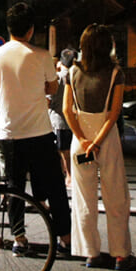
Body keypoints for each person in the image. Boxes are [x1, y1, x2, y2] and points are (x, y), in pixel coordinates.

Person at [0, 2, 72, 256]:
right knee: (55, 186)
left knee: (14, 187)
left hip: (9, 132)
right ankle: (64, 239)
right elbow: (53, 88)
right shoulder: (42, 55)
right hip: (39, 131)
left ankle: (19, 238)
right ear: (31, 29)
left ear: (9, 27)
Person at [62, 25, 135, 270]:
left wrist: (83, 140)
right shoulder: (115, 73)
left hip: (79, 141)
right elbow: (114, 114)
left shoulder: (73, 71)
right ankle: (121, 254)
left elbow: (66, 110)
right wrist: (97, 141)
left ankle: (91, 253)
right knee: (116, 195)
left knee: (84, 198)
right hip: (107, 140)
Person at [49, 48, 76, 185]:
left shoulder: (58, 77)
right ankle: (71, 175)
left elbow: (49, 99)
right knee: (69, 149)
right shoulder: (75, 76)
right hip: (73, 120)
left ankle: (68, 176)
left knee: (62, 150)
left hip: (59, 120)